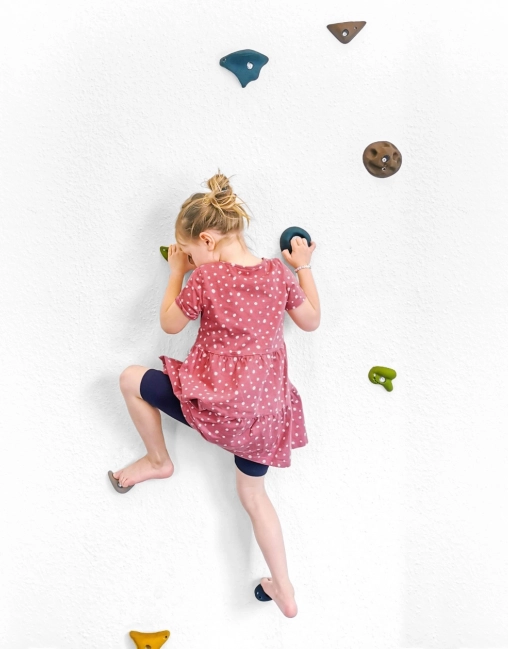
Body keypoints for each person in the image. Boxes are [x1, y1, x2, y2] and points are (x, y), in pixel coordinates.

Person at [112, 170, 320, 617]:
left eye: (189, 251)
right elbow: (311, 321)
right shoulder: (277, 275)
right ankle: (284, 590)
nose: (188, 259)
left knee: (131, 379)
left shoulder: (206, 280)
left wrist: (176, 273)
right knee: (254, 497)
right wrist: (302, 266)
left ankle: (158, 460)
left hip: (218, 410)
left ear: (207, 240)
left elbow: (169, 324)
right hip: (265, 420)